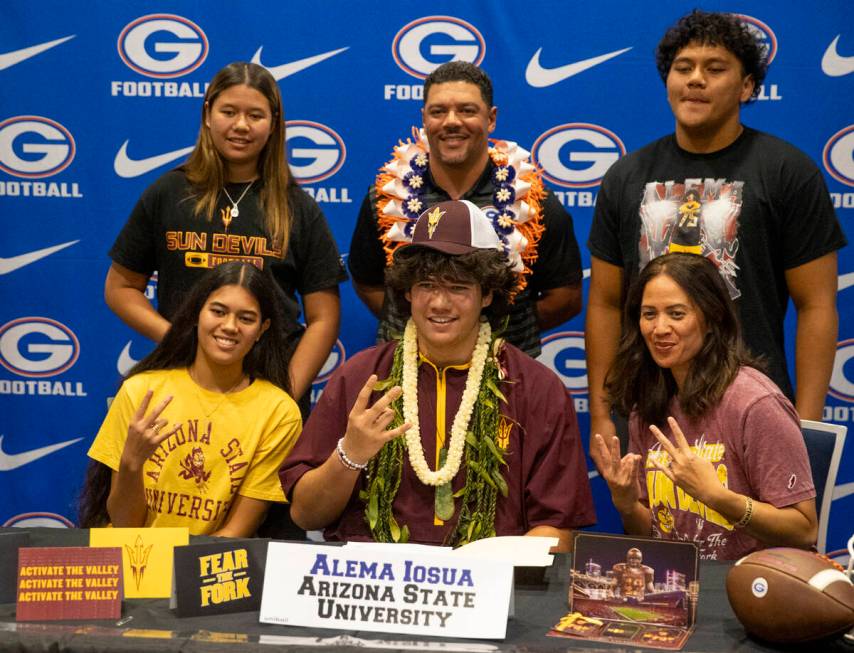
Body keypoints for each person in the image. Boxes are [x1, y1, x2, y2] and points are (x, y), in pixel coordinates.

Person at [586, 10, 846, 449]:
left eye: (715, 68)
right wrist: (599, 413)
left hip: (753, 407)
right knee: (651, 520)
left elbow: (817, 305)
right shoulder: (626, 176)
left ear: (747, 86)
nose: (695, 80)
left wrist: (808, 424)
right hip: (647, 408)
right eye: (683, 68)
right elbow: (607, 304)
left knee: (755, 520)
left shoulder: (787, 171)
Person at [282, 200, 595, 550]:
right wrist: (350, 454)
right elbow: (305, 515)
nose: (440, 303)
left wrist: (477, 575)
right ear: (407, 291)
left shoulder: (536, 388)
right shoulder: (362, 378)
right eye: (427, 285)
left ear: (488, 294)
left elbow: (557, 533)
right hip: (374, 591)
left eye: (459, 287)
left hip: (490, 594)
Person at [104, 61, 347, 412]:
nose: (241, 126)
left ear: (274, 123)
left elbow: (324, 318)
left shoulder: (297, 207)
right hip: (183, 384)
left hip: (268, 392)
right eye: (229, 111)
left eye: (255, 115)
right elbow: (120, 288)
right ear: (207, 114)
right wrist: (179, 339)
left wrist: (284, 394)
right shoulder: (168, 193)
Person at [590, 253, 817, 560]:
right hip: (677, 584)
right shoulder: (647, 407)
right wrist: (628, 504)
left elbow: (804, 530)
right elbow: (654, 537)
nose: (659, 329)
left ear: (711, 319)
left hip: (751, 585)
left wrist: (718, 497)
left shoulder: (756, 403)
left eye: (676, 314)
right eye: (649, 314)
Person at [348, 61, 582, 357]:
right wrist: (425, 318)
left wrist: (502, 322)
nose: (451, 121)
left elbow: (566, 297)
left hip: (506, 375)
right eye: (438, 111)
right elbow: (367, 282)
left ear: (491, 118)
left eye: (467, 110)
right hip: (405, 372)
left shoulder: (534, 203)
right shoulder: (385, 198)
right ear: (424, 118)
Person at [80, 262, 302, 537]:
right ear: (197, 313)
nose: (230, 326)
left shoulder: (279, 413)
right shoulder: (140, 391)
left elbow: (236, 531)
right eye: (218, 312)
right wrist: (132, 463)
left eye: (246, 318)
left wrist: (182, 573)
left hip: (205, 568)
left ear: (262, 329)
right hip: (134, 561)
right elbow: (126, 525)